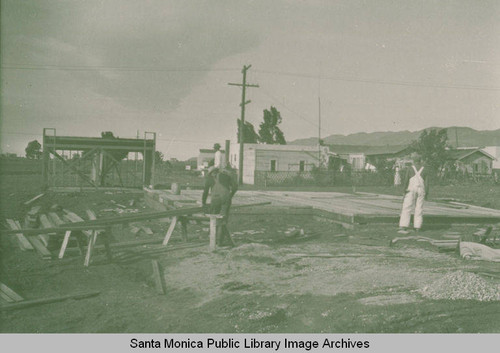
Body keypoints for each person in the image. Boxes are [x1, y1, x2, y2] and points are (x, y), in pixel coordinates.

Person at [202, 165, 238, 246]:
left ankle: (214, 241)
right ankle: (220, 242)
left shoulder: (209, 179)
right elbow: (235, 187)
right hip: (226, 199)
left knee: (214, 219)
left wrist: (203, 203)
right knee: (223, 219)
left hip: (215, 200)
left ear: (211, 173)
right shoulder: (226, 176)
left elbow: (205, 192)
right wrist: (230, 196)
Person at [398, 154, 429, 233]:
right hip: (421, 190)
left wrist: (404, 190)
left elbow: (406, 180)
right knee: (419, 208)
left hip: (411, 189)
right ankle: (417, 226)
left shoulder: (410, 169)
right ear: (420, 160)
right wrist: (427, 193)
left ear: (413, 160)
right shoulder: (425, 169)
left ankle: (403, 225)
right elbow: (427, 183)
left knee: (407, 207)